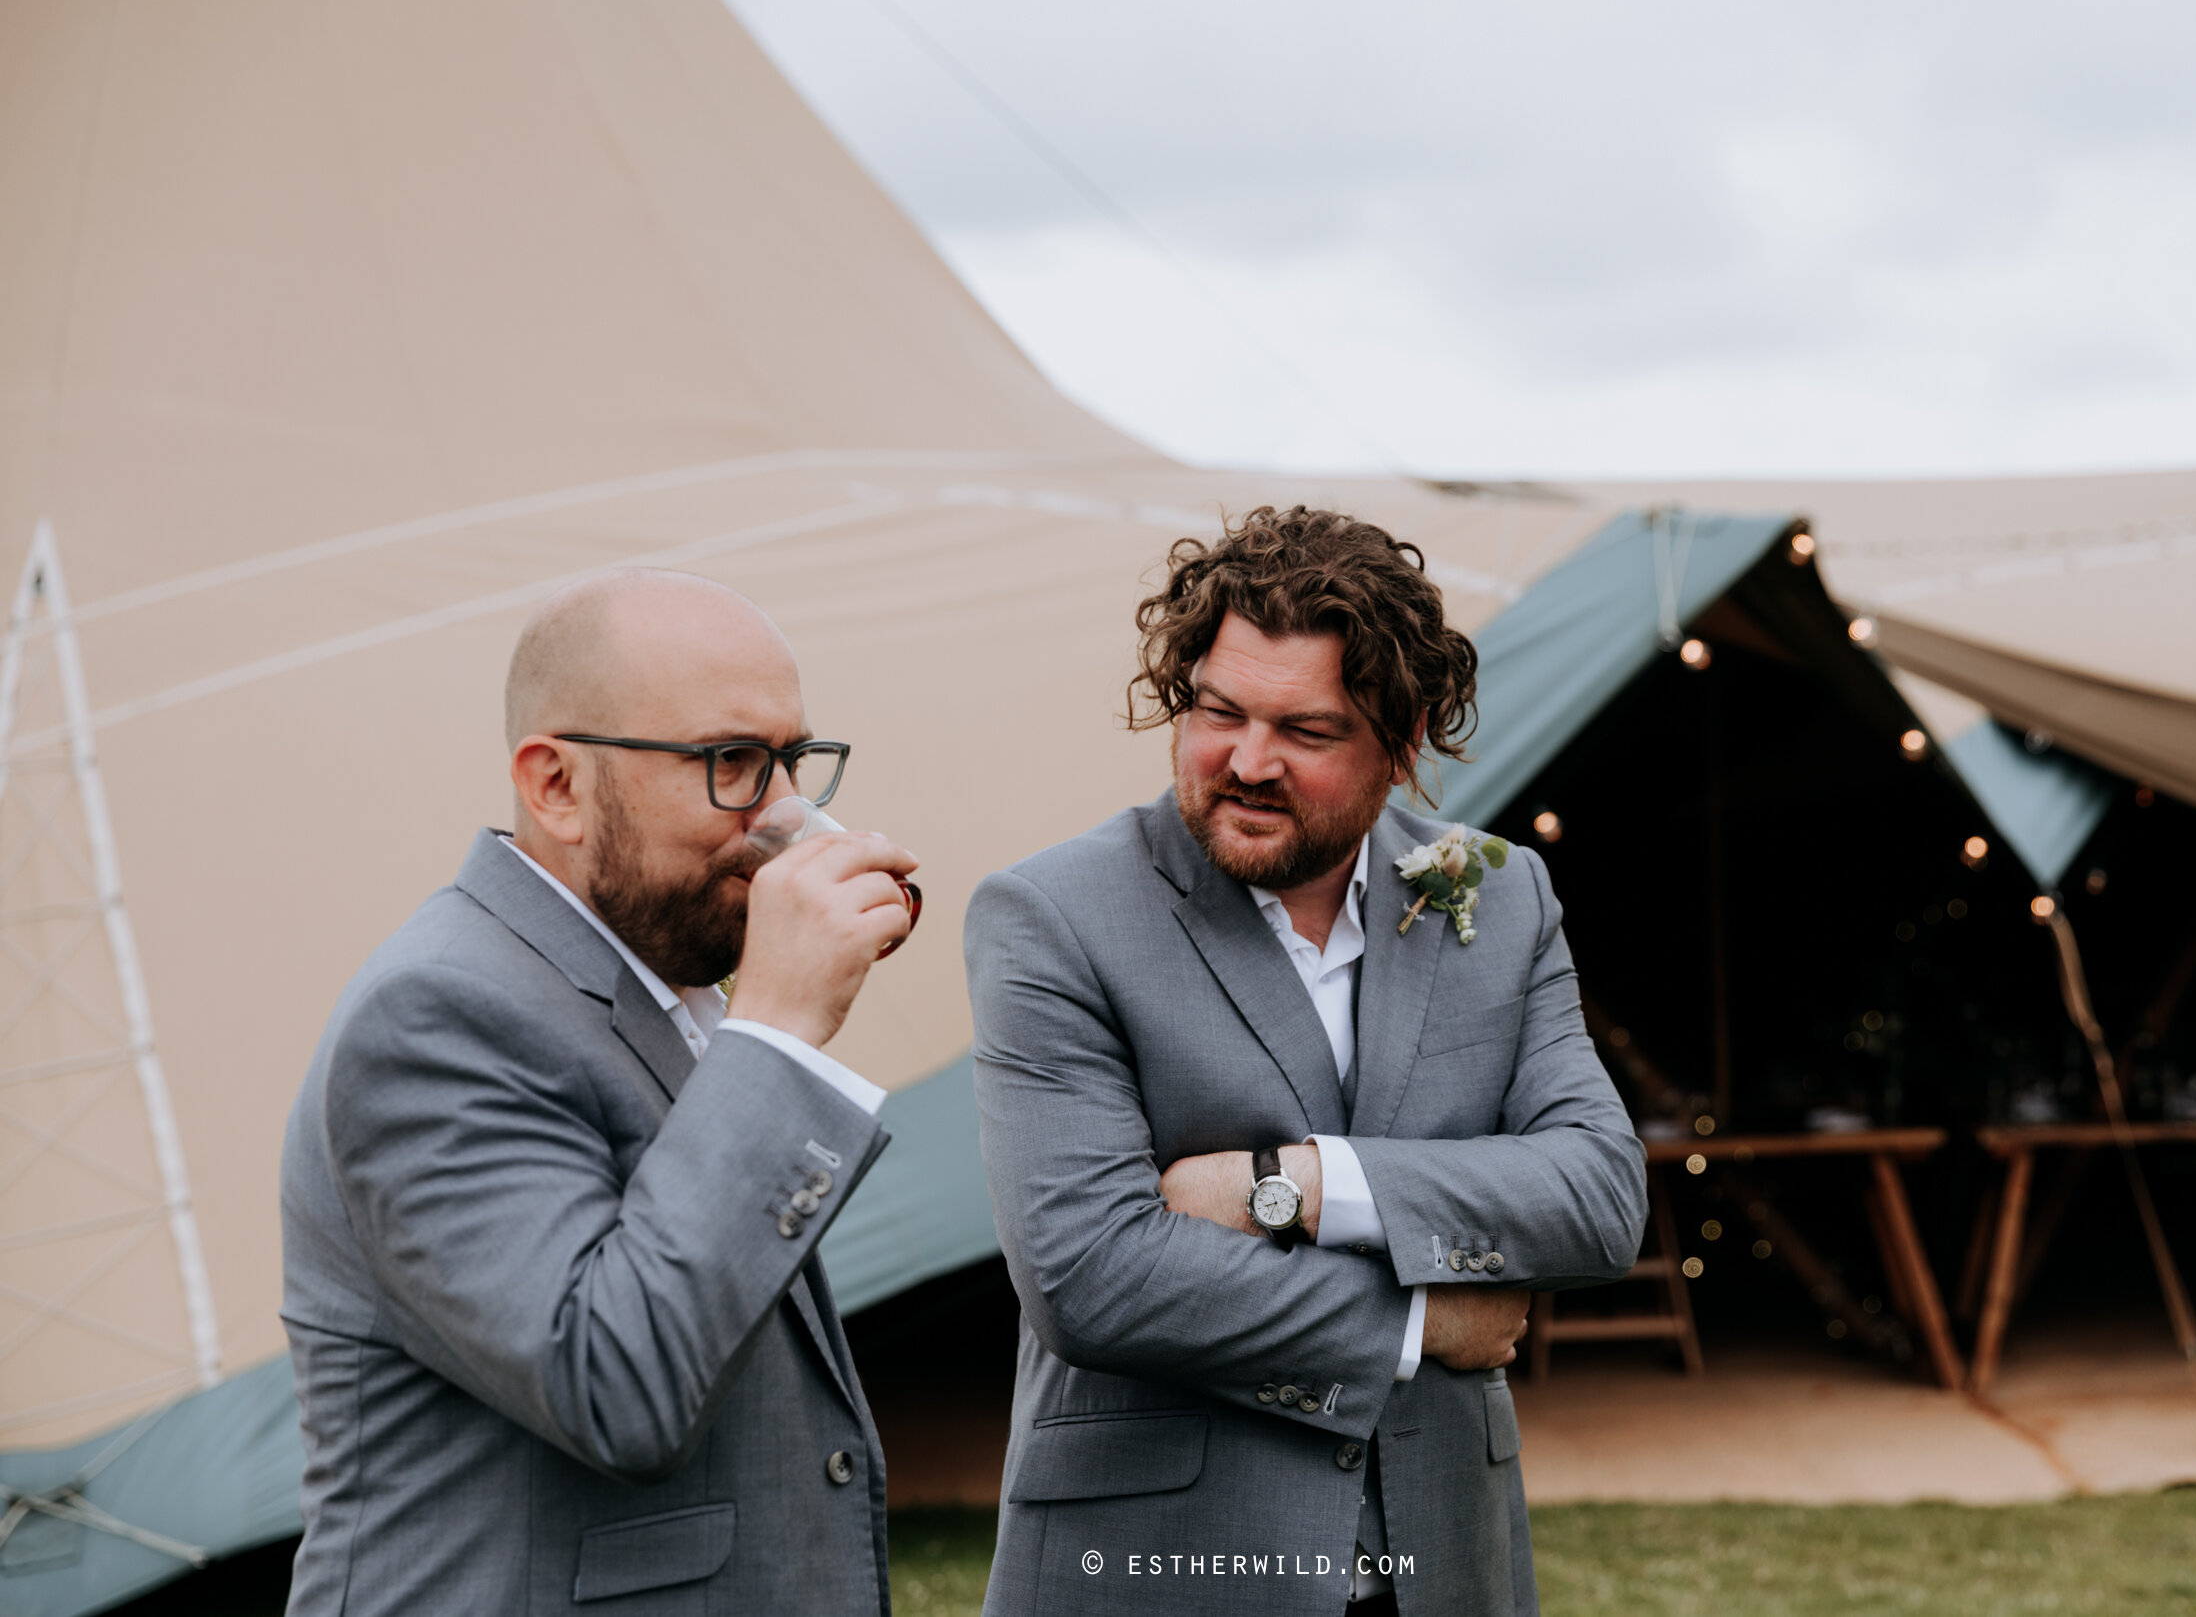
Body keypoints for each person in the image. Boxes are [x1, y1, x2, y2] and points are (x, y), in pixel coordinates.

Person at [966, 506, 1648, 1616]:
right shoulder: (1052, 915)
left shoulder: (1496, 890)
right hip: (1166, 1558)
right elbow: (1090, 1275)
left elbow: (1599, 1195)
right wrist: (1426, 1322)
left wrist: (1294, 1186)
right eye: (1217, 711)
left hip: (1438, 1556)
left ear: (1404, 740)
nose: (1247, 760)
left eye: (1307, 730)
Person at [279, 570, 920, 1615]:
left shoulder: (663, 987)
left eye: (793, 760)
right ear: (557, 786)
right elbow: (615, 1383)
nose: (787, 816)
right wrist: (778, 1032)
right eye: (732, 762)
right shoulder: (436, 1014)